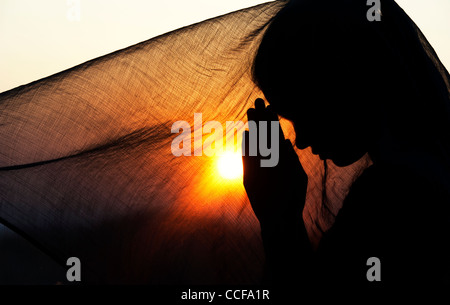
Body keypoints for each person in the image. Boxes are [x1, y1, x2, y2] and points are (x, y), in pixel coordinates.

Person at [242, 0, 450, 292]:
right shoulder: (431, 171)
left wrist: (280, 219)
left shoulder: (393, 195)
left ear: (344, 83)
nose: (300, 140)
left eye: (303, 111)